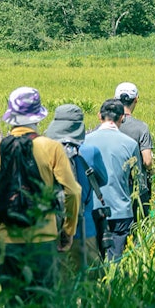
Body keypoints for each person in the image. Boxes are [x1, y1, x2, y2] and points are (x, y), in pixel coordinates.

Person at [0, 87, 80, 300]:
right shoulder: (52, 147)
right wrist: (68, 231)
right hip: (44, 239)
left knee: (13, 300)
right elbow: (72, 191)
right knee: (44, 300)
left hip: (7, 241)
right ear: (38, 116)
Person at [43, 104, 109, 275]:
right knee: (92, 283)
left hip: (53, 229)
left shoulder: (43, 151)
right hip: (85, 228)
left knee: (62, 284)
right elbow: (102, 180)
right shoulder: (90, 151)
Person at [83, 98, 143, 262]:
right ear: (122, 118)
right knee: (116, 260)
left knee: (94, 261)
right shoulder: (130, 144)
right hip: (120, 210)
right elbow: (139, 181)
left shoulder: (85, 141)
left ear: (99, 116)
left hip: (92, 209)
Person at [114, 82, 153, 218]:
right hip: (136, 187)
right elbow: (147, 161)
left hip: (112, 186)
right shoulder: (141, 127)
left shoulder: (105, 126)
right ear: (136, 99)